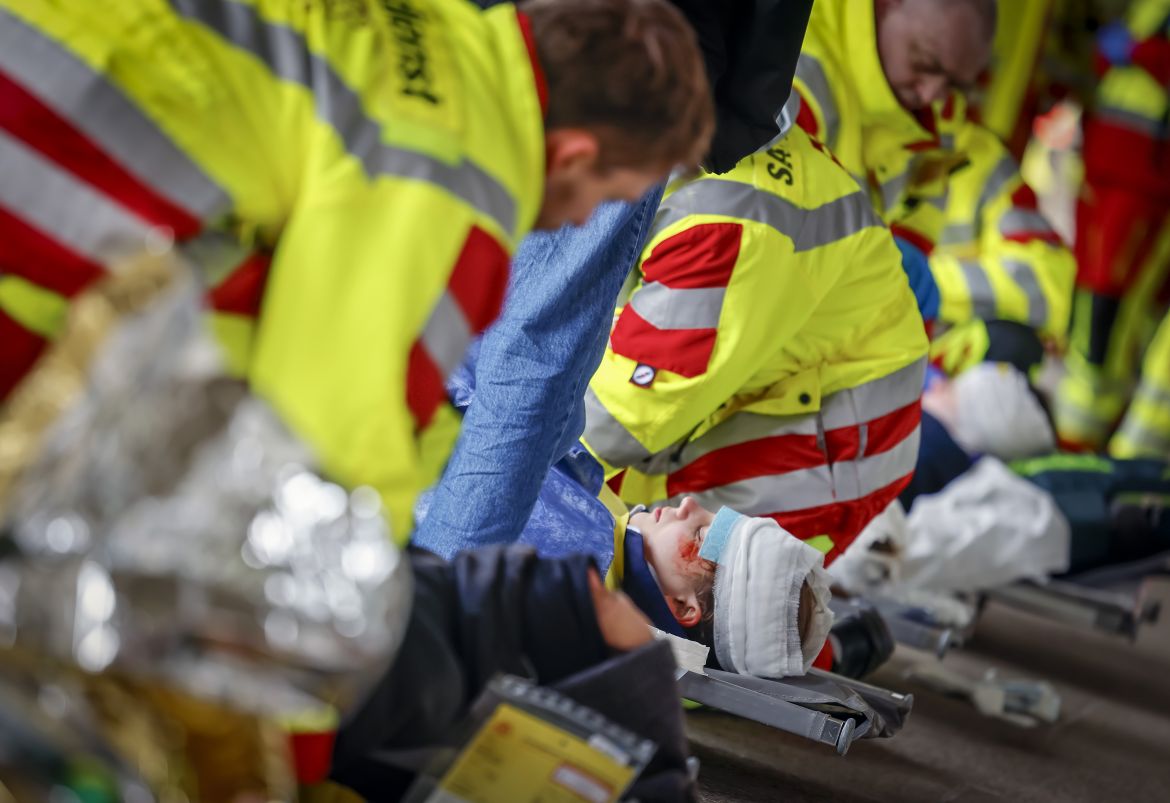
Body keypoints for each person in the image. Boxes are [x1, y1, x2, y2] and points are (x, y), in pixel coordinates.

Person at [0, 0, 714, 541]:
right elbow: (336, 474)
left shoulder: (433, 33)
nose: (575, 224)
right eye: (609, 199)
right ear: (575, 158)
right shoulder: (458, 175)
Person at [414, 0, 816, 558]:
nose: (691, 507)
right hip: (648, 42)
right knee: (535, 358)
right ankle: (440, 589)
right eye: (601, 196)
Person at [582, 111, 929, 567]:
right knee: (660, 558)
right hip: (782, 391)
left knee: (707, 592)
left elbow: (614, 423)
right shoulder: (687, 150)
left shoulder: (720, 227)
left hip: (831, 437)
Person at [1054, 0, 1170, 457]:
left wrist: (1137, 52)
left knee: (1111, 306)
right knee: (1091, 299)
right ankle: (1083, 428)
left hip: (1147, 181)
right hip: (1108, 165)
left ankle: (1090, 433)